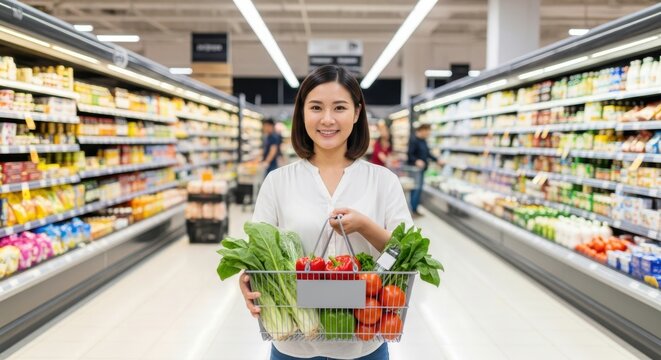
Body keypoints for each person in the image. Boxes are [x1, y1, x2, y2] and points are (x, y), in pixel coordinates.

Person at [240, 65, 412, 360]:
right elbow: (258, 253)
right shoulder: (278, 182)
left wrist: (365, 226)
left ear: (357, 113)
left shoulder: (383, 181)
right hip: (293, 345)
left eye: (340, 107)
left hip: (364, 341)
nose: (327, 119)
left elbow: (407, 253)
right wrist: (248, 279)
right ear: (302, 113)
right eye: (316, 107)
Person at [407, 123, 437, 217]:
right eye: (427, 131)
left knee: (419, 189)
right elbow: (410, 155)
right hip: (415, 170)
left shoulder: (423, 140)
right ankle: (412, 210)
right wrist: (416, 161)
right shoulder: (413, 140)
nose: (428, 133)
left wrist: (437, 159)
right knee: (415, 189)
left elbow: (427, 153)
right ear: (422, 130)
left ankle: (415, 209)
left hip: (422, 169)